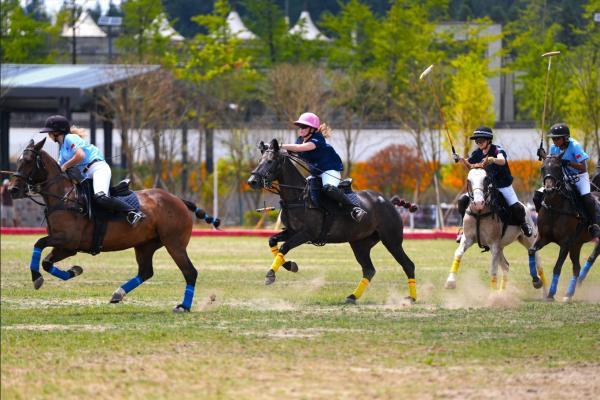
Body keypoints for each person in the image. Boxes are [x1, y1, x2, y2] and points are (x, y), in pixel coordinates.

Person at [40, 115, 143, 226]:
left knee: (100, 197)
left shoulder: (70, 138)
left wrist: (65, 166)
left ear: (56, 132)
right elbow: (58, 169)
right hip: (87, 175)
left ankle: (133, 212)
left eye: (49, 132)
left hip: (98, 168)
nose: (48, 135)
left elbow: (80, 155)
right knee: (83, 201)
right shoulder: (63, 149)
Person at [280, 112, 366, 222]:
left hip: (330, 171)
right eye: (300, 126)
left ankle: (354, 209)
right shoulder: (300, 139)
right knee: (302, 190)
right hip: (316, 173)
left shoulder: (317, 139)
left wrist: (279, 145)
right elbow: (294, 150)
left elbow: (299, 148)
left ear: (312, 129)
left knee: (328, 189)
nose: (301, 129)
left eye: (304, 127)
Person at [453, 126, 533, 238]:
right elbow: (469, 163)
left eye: (481, 140)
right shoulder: (477, 153)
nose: (478, 143)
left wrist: (492, 159)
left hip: (503, 185)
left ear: (489, 140)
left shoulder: (497, 150)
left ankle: (524, 225)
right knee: (462, 200)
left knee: (516, 207)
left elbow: (502, 160)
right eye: (477, 141)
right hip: (486, 186)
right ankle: (463, 226)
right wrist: (459, 158)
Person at [536, 123, 600, 238]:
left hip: (579, 176)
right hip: (563, 177)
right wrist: (544, 155)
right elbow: (552, 162)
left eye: (557, 138)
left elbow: (583, 167)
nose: (555, 141)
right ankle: (542, 221)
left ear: (565, 138)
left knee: (587, 198)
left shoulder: (575, 146)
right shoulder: (553, 148)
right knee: (538, 194)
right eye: (553, 138)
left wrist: (568, 162)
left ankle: (594, 225)